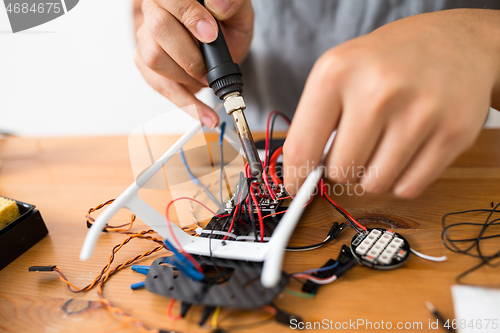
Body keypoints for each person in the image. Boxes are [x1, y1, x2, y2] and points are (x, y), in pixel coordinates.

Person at [132, 0, 500, 198]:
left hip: (449, 170)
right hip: (236, 164)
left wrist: (482, 38)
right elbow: (147, 9)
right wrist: (166, 30)